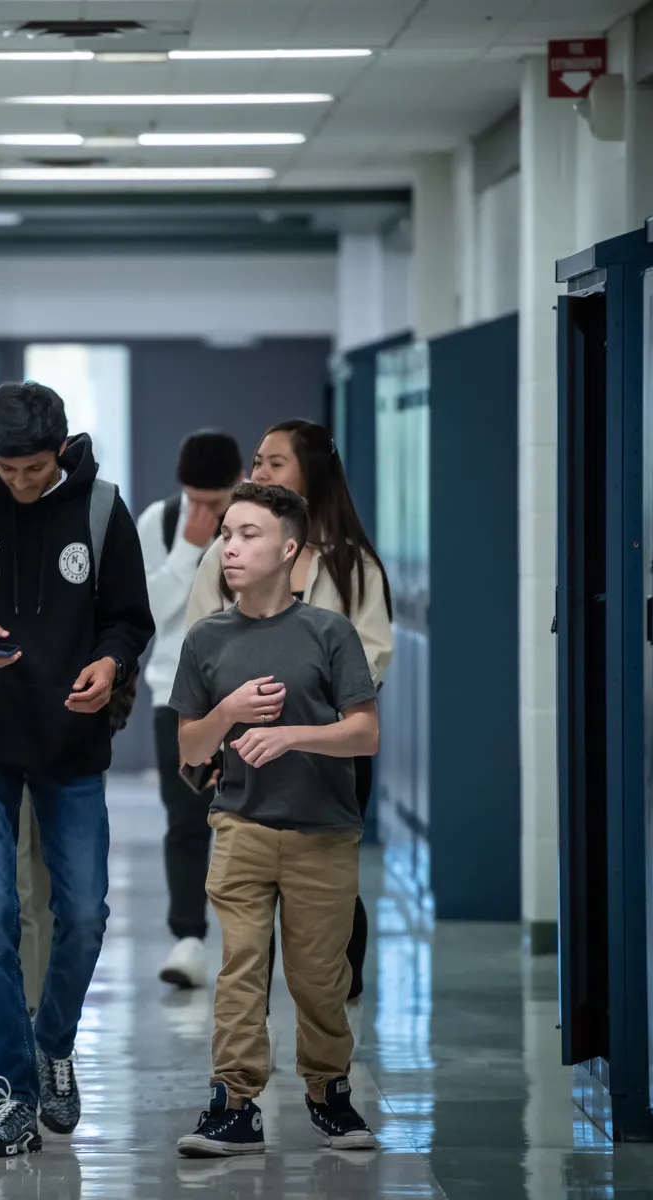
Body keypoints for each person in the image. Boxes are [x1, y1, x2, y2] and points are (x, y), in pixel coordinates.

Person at [0, 381, 154, 1157]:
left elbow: (129, 619)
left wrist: (111, 663)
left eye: (35, 468)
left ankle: (54, 1044)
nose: (20, 482)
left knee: (83, 914)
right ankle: (15, 1089)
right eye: (8, 468)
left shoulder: (101, 510)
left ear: (61, 450)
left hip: (71, 746)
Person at [170, 482, 380, 1156]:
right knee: (241, 969)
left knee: (319, 977)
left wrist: (292, 736)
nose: (230, 547)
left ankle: (328, 1092)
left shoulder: (329, 632)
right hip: (241, 825)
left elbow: (365, 733)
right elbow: (190, 749)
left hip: (324, 832)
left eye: (248, 534)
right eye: (226, 535)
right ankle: (233, 1103)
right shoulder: (206, 638)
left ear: (289, 549)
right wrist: (228, 712)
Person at [185, 420, 392, 1025]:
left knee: (328, 893)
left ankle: (333, 1017)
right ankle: (253, 1032)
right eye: (257, 462)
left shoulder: (352, 565)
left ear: (312, 472)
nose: (260, 473)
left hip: (329, 753)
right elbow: (201, 644)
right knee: (249, 897)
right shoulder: (224, 556)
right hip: (243, 750)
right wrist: (226, 723)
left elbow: (372, 656)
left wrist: (309, 705)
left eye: (275, 463)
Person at [135, 429, 245, 989]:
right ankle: (188, 940)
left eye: (214, 501)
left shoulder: (261, 522)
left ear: (238, 484)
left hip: (252, 696)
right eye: (193, 498)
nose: (203, 511)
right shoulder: (159, 521)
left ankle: (249, 945)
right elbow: (146, 613)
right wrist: (187, 549)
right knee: (185, 820)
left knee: (251, 827)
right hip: (175, 696)